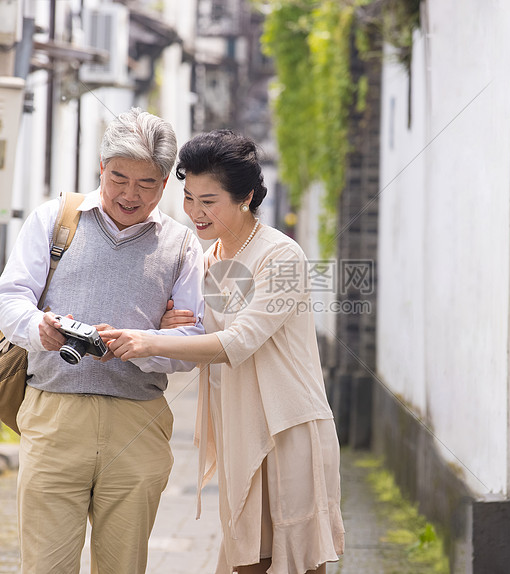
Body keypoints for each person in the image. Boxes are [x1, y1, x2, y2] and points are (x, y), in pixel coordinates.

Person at [99, 129, 345, 574]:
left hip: (288, 428)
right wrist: (169, 328)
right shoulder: (208, 259)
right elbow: (198, 332)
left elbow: (239, 340)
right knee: (245, 561)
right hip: (240, 428)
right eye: (189, 197)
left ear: (245, 197)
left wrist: (146, 340)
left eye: (208, 201)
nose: (194, 211)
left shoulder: (281, 256)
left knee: (296, 563)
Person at [0, 108, 205, 573]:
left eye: (146, 183)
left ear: (165, 183)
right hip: (54, 415)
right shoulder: (56, 219)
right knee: (46, 566)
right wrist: (39, 330)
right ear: (100, 170)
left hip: (138, 421)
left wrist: (145, 344)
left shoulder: (183, 246)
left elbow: (192, 340)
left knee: (123, 566)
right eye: (119, 177)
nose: (130, 193)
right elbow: (9, 297)